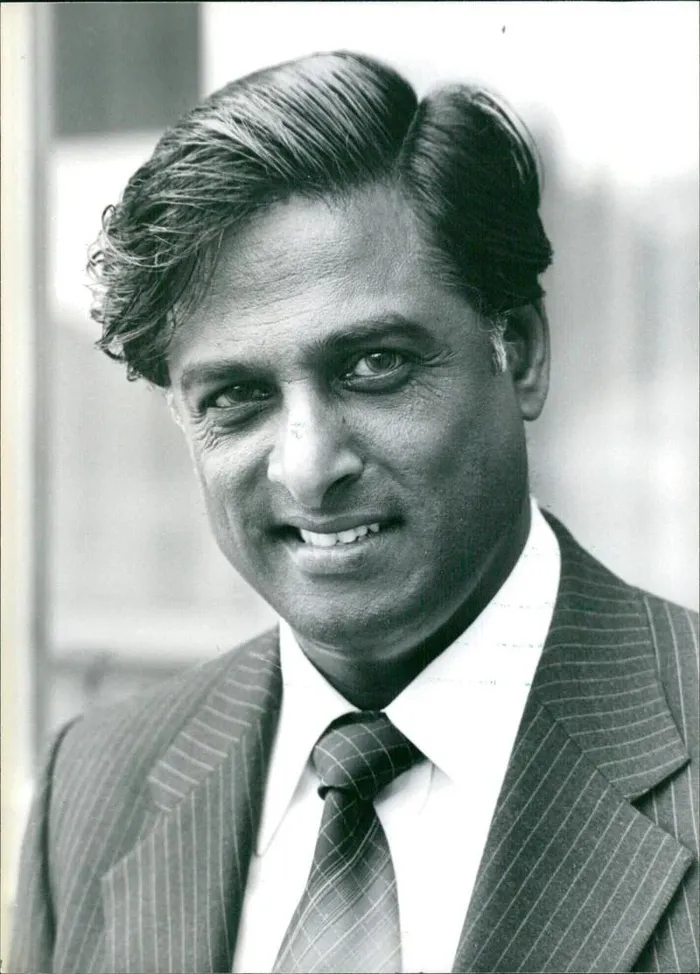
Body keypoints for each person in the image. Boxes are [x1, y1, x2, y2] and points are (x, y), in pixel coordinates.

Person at [9, 51, 698, 974]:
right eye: (236, 397)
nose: (308, 468)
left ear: (523, 353)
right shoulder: (93, 791)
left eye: (375, 365)